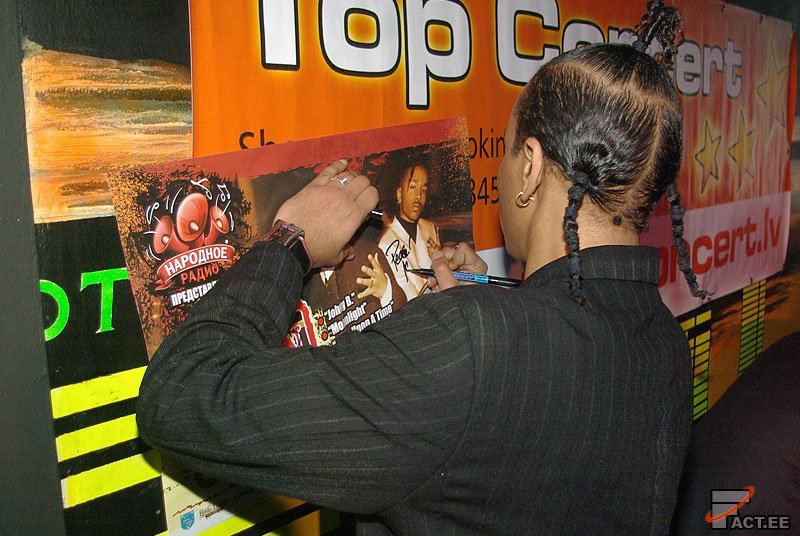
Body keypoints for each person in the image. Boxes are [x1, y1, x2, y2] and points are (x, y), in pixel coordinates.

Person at [136, 1, 706, 534]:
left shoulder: (471, 344)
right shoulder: (663, 341)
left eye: (509, 152)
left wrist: (290, 241)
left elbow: (181, 396)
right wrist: (481, 307)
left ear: (531, 167)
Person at [356, 163, 440, 307]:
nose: (418, 196)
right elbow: (406, 299)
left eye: (424, 190)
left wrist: (440, 258)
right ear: (399, 194)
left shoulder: (429, 228)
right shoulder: (386, 243)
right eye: (413, 187)